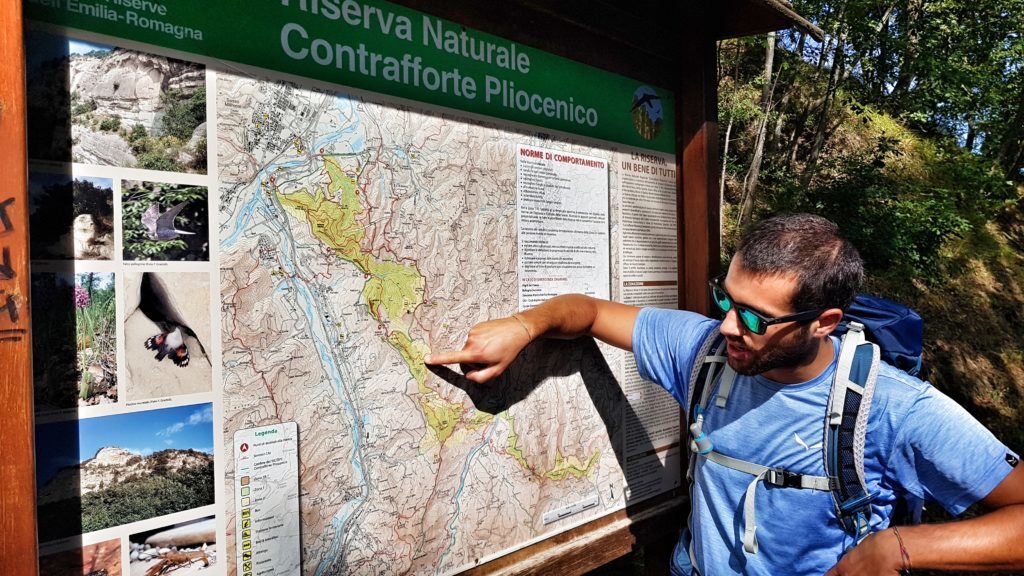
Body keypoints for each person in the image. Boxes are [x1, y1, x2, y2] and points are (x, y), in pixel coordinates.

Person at [425, 214, 1024, 575]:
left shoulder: (896, 409)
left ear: (824, 321)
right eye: (725, 299)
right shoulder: (707, 350)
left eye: (757, 317)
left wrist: (900, 546)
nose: (731, 326)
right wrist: (526, 326)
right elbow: (588, 312)